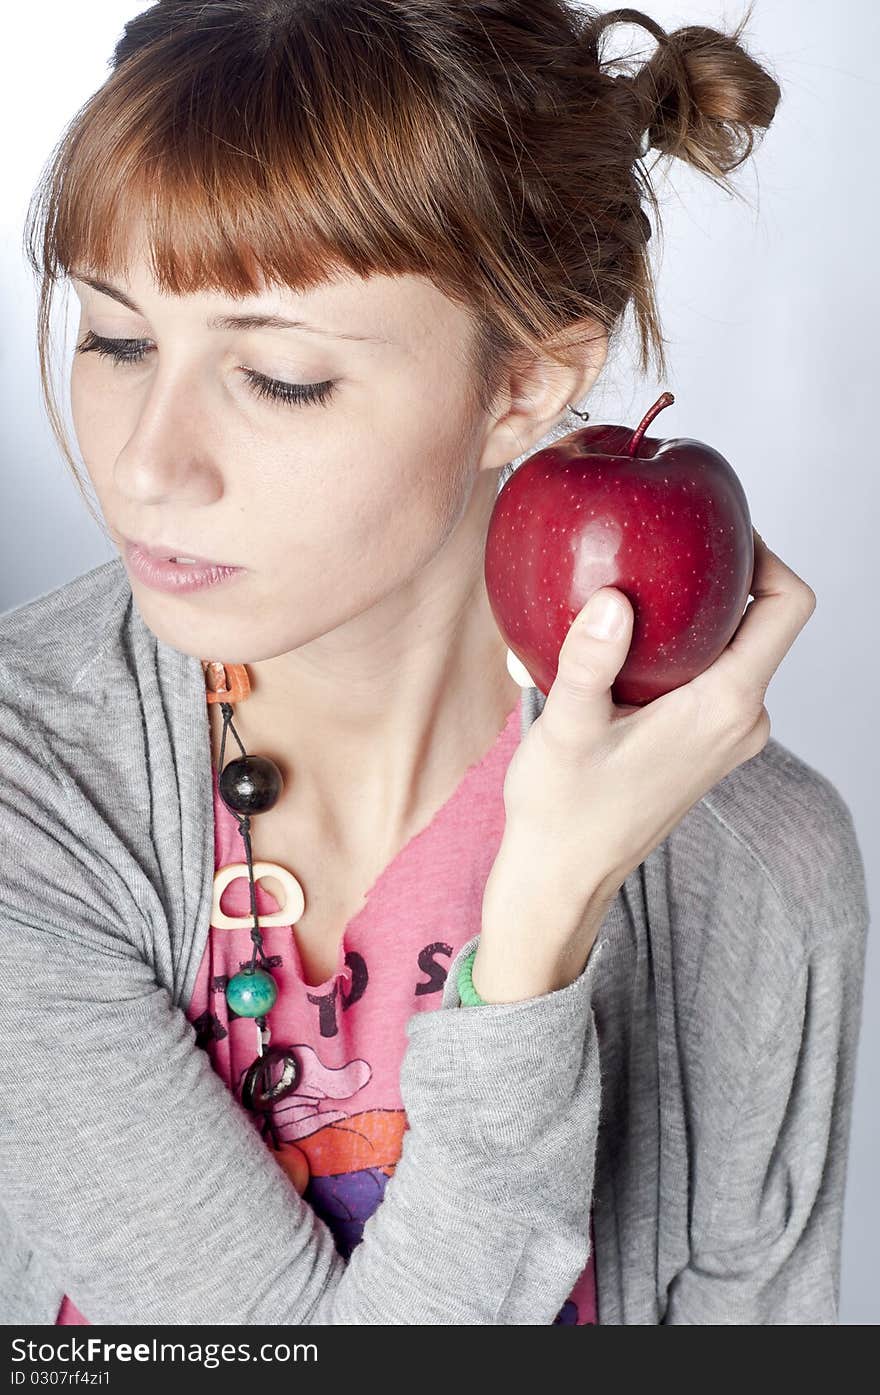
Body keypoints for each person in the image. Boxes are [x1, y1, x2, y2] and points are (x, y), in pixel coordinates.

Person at [0, 0, 868, 1325]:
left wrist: (562, 905)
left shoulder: (755, 867)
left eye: (280, 377)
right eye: (117, 341)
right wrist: (530, 955)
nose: (143, 465)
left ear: (522, 387)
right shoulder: (35, 782)